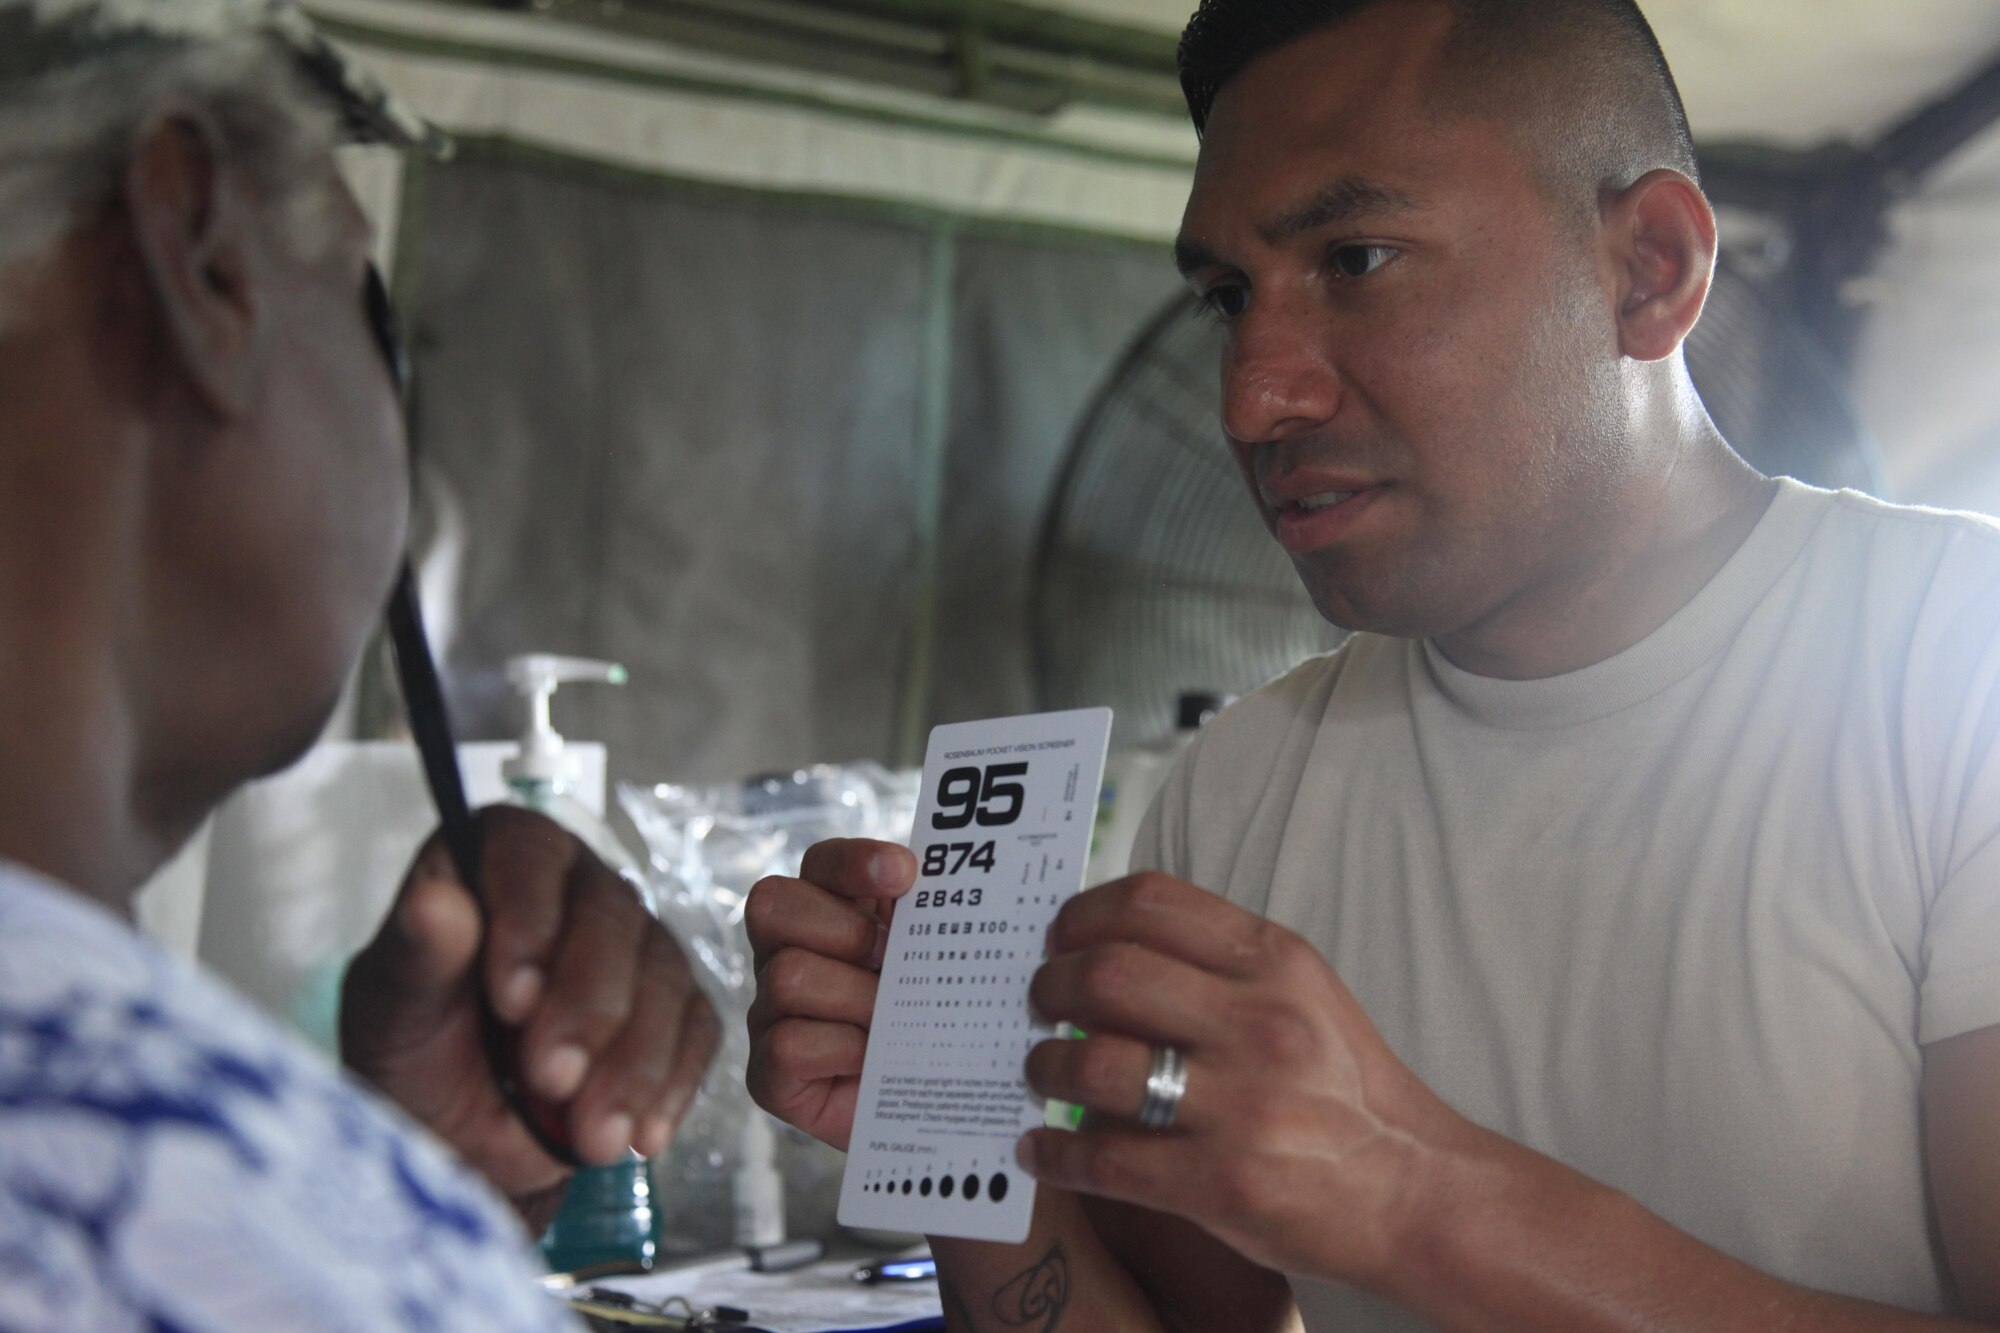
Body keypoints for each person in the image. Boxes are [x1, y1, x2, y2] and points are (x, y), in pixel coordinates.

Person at [745, 1, 2000, 1329]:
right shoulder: (1243, 788)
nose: (1251, 396)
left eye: (1357, 258)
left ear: (1650, 268)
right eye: (1228, 299)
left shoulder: (1959, 667)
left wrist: (1412, 1197)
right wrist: (953, 1127)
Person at [0, 3, 717, 1327]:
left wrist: (404, 1178)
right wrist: (372, 1233)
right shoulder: (207, 1220)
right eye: (365, 309)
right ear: (202, 254)